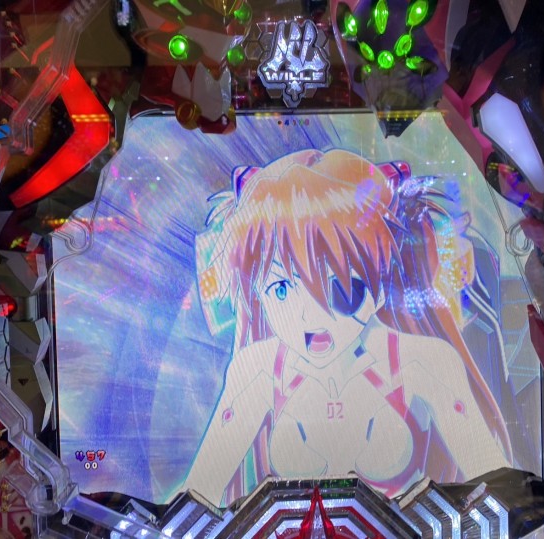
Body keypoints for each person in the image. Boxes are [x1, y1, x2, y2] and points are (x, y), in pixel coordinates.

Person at [185, 148, 512, 507]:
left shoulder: (422, 361)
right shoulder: (258, 370)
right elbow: (197, 498)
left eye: (339, 286)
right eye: (281, 289)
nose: (310, 317)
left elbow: (493, 489)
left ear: (380, 283)